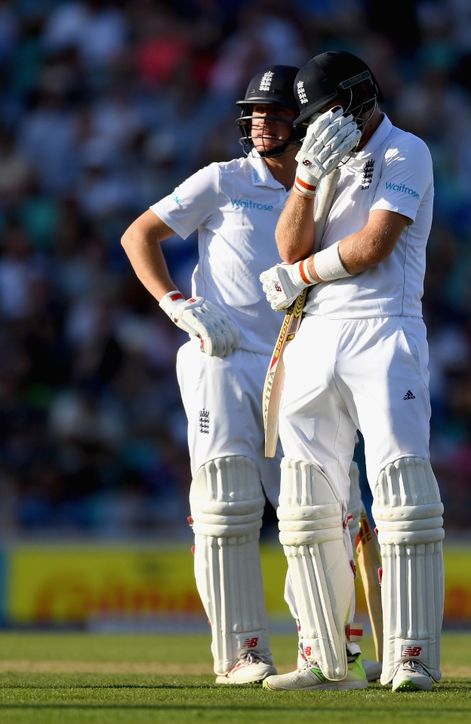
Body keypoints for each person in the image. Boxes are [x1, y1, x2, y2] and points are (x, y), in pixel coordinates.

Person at [259, 50, 444, 692]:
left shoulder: (406, 151)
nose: (322, 125)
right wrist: (307, 181)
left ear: (364, 100)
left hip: (384, 330)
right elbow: (288, 245)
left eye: (332, 110)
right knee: (308, 503)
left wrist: (301, 275)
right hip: (316, 334)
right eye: (316, 116)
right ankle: (323, 659)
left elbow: (372, 246)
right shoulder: (322, 157)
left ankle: (411, 656)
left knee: (400, 495)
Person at [120, 64, 302, 685]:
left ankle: (325, 648)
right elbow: (138, 236)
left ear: (303, 122)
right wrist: (177, 304)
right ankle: (241, 653)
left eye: (274, 113)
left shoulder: (325, 192)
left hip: (292, 362)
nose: (260, 123)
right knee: (227, 505)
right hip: (219, 356)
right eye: (254, 112)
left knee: (312, 509)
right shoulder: (222, 180)